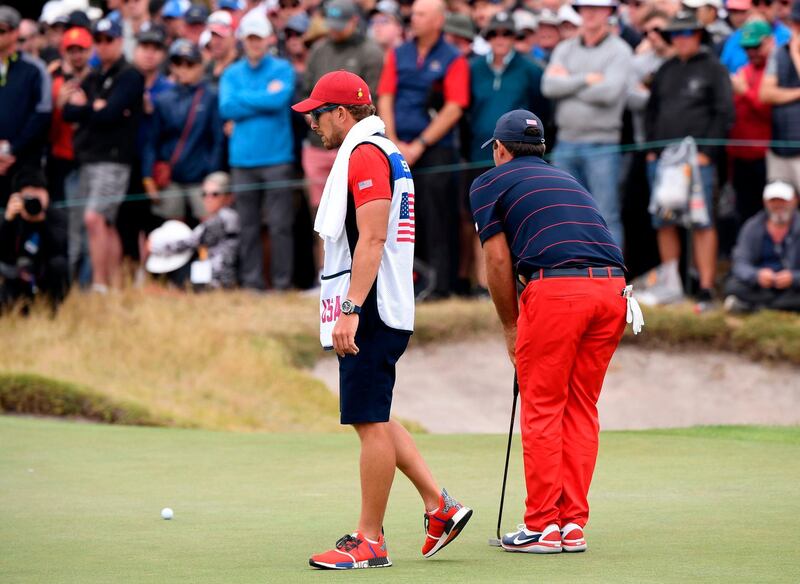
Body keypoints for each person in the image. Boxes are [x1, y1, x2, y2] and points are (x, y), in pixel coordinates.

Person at [292, 70, 472, 570]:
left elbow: (371, 238)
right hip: (383, 301)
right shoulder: (382, 149)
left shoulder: (366, 153)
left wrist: (349, 308)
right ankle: (440, 505)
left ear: (344, 114)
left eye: (318, 113)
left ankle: (370, 540)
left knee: (369, 421)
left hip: (370, 305)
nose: (313, 124)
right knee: (376, 414)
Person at [470, 109, 636, 554]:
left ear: (500, 150)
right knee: (580, 406)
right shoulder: (567, 179)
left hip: (559, 291)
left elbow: (499, 261)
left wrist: (510, 326)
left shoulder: (489, 182)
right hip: (614, 291)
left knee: (542, 406)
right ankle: (571, 526)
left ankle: (543, 525)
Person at [377, 0, 471, 298]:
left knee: (437, 217)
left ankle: (440, 285)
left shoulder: (453, 59)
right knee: (401, 218)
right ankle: (407, 284)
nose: (413, 18)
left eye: (420, 14)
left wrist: (419, 144)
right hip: (397, 146)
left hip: (435, 149)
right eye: (413, 13)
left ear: (438, 20)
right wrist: (393, 141)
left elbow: (454, 108)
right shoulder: (398, 53)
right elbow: (386, 97)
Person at [642, 10, 734, 307]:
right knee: (663, 220)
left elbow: (724, 112)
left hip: (697, 159)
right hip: (663, 158)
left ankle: (705, 287)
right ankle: (672, 285)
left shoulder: (713, 68)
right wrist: (652, 150)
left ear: (698, 35)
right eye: (676, 34)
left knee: (702, 220)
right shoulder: (666, 68)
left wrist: (708, 153)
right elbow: (652, 111)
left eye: (687, 33)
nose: (681, 39)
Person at [302, 0, 385, 277]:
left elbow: (368, 101)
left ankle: (349, 274)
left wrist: (351, 303)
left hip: (351, 142)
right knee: (323, 213)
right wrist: (318, 118)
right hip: (324, 145)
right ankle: (325, 273)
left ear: (354, 22)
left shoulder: (369, 51)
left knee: (358, 214)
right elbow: (304, 91)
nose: (334, 31)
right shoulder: (319, 49)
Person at [62, 18, 145, 293]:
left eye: (109, 39)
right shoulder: (94, 76)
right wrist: (94, 108)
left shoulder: (131, 75)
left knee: (95, 218)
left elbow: (109, 114)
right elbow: (68, 112)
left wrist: (94, 108)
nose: (103, 45)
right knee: (103, 223)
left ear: (120, 41)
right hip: (88, 157)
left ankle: (99, 283)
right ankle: (109, 284)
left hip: (114, 159)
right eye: (98, 40)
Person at [541, 0, 633, 247]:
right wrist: (586, 79)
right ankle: (569, 274)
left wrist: (568, 84)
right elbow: (548, 86)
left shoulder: (620, 50)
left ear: (609, 12)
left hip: (602, 143)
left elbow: (610, 93)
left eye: (597, 7)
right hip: (566, 142)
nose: (590, 13)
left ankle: (611, 279)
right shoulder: (565, 48)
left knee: (605, 214)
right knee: (562, 214)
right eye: (585, 7)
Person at [219, 10, 296, 290]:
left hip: (277, 158)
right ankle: (252, 284)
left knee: (280, 226)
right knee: (248, 227)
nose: (254, 43)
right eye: (250, 38)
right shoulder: (231, 73)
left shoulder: (282, 69)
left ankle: (282, 283)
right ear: (243, 40)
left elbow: (280, 100)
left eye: (258, 38)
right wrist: (263, 97)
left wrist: (245, 100)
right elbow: (226, 107)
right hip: (242, 160)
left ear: (268, 39)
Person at [143, 40, 224, 223]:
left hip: (200, 176)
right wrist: (148, 177)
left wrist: (211, 173)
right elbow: (152, 141)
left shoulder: (210, 96)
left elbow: (217, 140)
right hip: (170, 176)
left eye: (190, 63)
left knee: (209, 225)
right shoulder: (164, 100)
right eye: (178, 63)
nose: (184, 69)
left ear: (199, 66)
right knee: (173, 232)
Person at [147, 171, 240, 288]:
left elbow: (189, 242)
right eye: (204, 194)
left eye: (215, 194)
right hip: (216, 275)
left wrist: (154, 245)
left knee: (174, 269)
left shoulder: (224, 218)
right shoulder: (228, 216)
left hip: (217, 279)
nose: (208, 198)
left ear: (228, 197)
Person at [0, 6, 52, 208]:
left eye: (2, 31)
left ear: (15, 33)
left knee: (25, 217)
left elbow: (42, 114)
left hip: (24, 162)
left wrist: (10, 149)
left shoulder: (34, 68)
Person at [724, 180, 800, 311]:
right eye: (773, 201)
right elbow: (740, 262)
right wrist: (756, 275)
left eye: (783, 200)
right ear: (765, 202)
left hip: (793, 286)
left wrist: (793, 277)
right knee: (732, 285)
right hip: (762, 287)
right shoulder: (752, 226)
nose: (778, 205)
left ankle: (755, 308)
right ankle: (780, 306)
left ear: (794, 201)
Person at [0, 169, 68, 311]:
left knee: (59, 264)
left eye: (39, 191)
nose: (36, 198)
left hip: (45, 276)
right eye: (30, 193)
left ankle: (53, 309)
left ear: (47, 194)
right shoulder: (12, 217)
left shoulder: (56, 216)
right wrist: (8, 221)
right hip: (16, 278)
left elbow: (59, 249)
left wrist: (41, 222)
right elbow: (3, 253)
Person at [728, 19, 773, 226]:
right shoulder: (744, 71)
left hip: (765, 157)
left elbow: (767, 110)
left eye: (755, 46)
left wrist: (744, 92)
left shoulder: (775, 72)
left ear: (768, 42)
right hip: (740, 156)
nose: (751, 52)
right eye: (747, 47)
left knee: (769, 212)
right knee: (744, 212)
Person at [760, 1, 800, 192]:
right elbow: (765, 94)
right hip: (779, 149)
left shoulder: (790, 52)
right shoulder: (779, 52)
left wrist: (796, 54)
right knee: (778, 202)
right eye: (797, 23)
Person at [721, 0, 791, 72]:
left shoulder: (788, 37)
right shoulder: (736, 37)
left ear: (777, 5)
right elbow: (723, 71)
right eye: (756, 3)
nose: (762, 9)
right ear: (751, 6)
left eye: (768, 3)